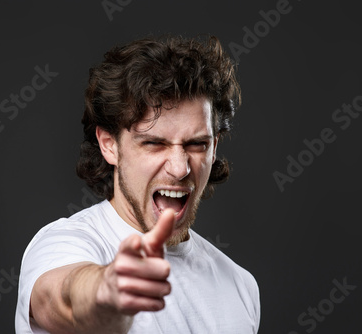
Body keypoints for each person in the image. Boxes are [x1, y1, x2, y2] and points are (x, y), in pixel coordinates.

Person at [15, 35, 260, 333]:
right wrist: (108, 292)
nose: (180, 168)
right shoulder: (63, 245)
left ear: (215, 147)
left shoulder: (240, 285)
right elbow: (63, 300)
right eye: (154, 143)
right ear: (109, 145)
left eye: (197, 144)